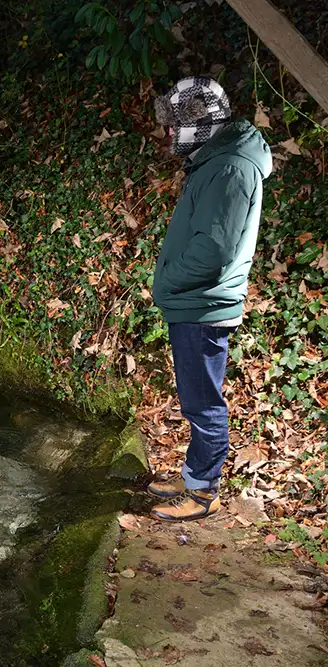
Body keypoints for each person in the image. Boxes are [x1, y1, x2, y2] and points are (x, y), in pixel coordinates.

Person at [148, 76, 272, 521]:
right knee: (196, 397)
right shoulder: (217, 161)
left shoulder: (230, 168)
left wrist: (167, 284)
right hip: (197, 301)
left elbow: (214, 250)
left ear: (198, 125)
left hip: (202, 303)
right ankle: (194, 473)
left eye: (172, 125)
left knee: (202, 402)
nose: (167, 135)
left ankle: (202, 494)